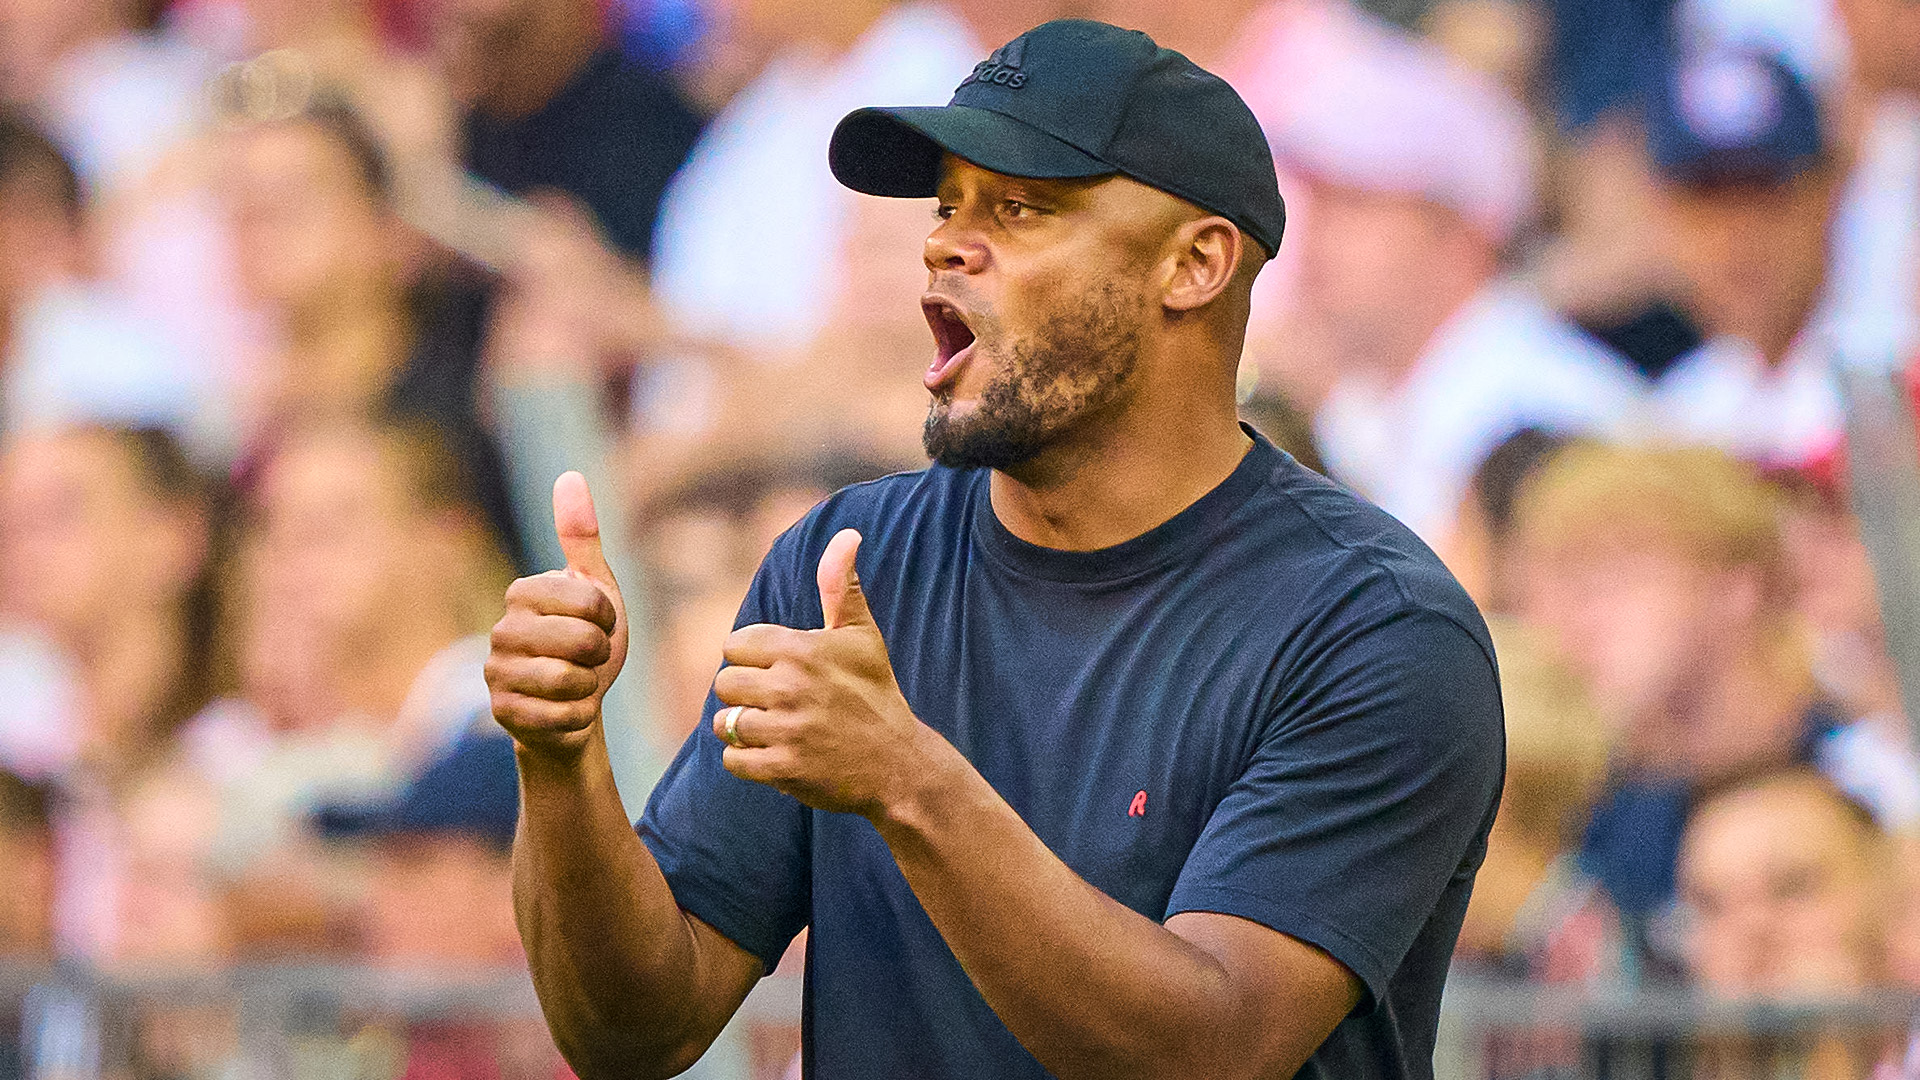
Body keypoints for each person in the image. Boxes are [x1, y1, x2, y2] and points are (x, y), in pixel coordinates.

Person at [487, 19, 1504, 1079]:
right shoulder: (846, 565)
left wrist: (908, 779)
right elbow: (634, 1029)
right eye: (945, 206)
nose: (943, 245)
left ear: (1196, 263)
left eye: (1017, 208)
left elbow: (1219, 1047)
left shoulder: (1375, 628)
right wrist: (559, 761)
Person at [1237, 0, 1642, 546]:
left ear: (1461, 237)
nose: (1315, 239)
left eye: (1357, 204)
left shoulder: (1545, 410)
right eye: (1320, 203)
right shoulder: (1360, 404)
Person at [1642, 46, 1847, 465]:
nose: (1738, 233)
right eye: (1708, 198)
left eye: (1763, 192)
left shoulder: (1901, 368)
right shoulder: (1677, 420)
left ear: (1827, 196)